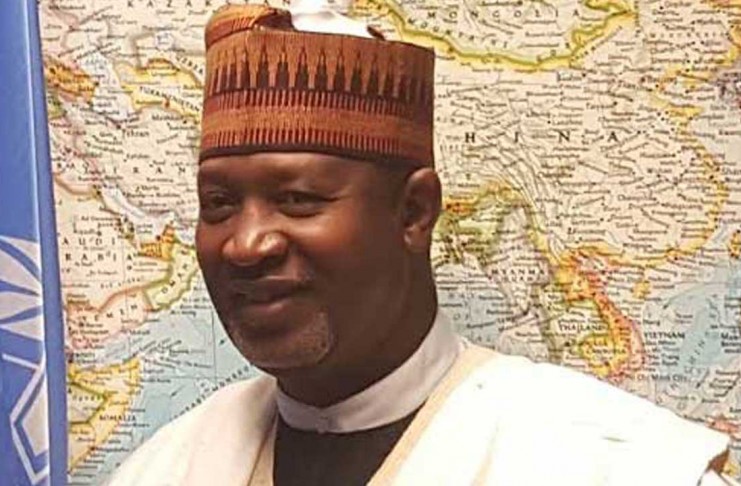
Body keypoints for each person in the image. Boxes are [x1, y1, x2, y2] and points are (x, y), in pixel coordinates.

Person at [109, 3, 738, 485]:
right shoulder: (164, 468)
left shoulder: (615, 465)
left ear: (414, 212)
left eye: (298, 200)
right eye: (219, 204)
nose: (246, 244)